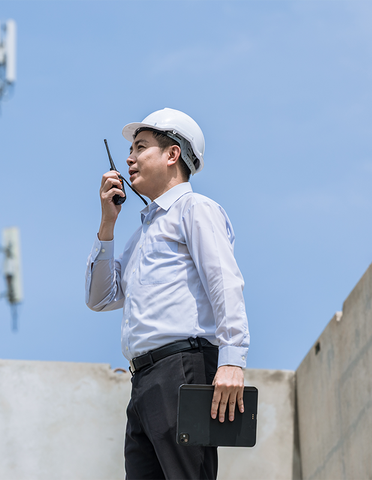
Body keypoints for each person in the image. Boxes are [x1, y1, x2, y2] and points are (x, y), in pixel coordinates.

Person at [85, 108, 250, 479]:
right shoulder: (141, 234)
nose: (129, 158)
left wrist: (231, 360)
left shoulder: (195, 209)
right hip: (144, 380)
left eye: (140, 147)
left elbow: (225, 281)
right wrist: (107, 223)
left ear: (172, 154)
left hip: (183, 370)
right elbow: (100, 298)